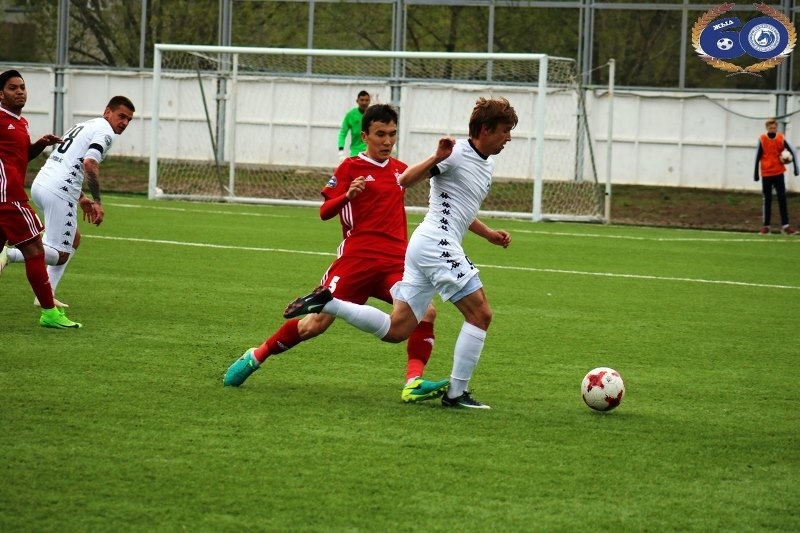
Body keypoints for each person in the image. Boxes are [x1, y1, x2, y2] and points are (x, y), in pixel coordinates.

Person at [283, 96, 517, 410]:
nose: (508, 137)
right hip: (437, 244)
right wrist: (436, 156)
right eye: (504, 130)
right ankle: (456, 394)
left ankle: (329, 303)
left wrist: (488, 234)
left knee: (397, 330)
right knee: (480, 314)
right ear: (485, 129)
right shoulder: (457, 152)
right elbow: (404, 179)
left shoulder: (486, 162)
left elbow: (461, 209)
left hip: (425, 245)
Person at [225, 103, 449, 403]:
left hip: (395, 263)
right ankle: (256, 355)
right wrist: (348, 195)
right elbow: (324, 212)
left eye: (392, 134)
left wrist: (441, 157)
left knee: (426, 312)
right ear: (364, 136)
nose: (387, 141)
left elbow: (439, 189)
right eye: (380, 134)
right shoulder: (350, 168)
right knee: (314, 325)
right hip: (356, 261)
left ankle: (413, 382)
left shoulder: (400, 170)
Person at [3, 95, 135, 307]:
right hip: (58, 192)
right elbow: (89, 163)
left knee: (73, 238)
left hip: (42, 184)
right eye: (121, 116)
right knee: (60, 255)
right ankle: (9, 254)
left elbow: (68, 162)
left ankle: (46, 294)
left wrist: (81, 197)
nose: (125, 122)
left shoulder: (85, 125)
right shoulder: (106, 132)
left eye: (129, 119)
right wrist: (98, 201)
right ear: (107, 112)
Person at [0, 69, 81, 328]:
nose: (20, 92)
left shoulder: (20, 122)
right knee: (35, 249)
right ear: (0, 94)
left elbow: (20, 157)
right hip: (8, 198)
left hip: (8, 195)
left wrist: (39, 145)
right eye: (12, 88)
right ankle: (49, 313)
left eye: (22, 87)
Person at [754, 118, 798, 235]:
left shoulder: (781, 138)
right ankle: (766, 226)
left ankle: (786, 226)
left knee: (782, 198)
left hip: (778, 172)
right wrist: (755, 173)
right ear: (767, 128)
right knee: (767, 199)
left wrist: (796, 167)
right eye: (770, 128)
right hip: (766, 173)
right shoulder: (762, 139)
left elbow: (792, 151)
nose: (772, 129)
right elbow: (757, 155)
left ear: (776, 128)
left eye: (774, 128)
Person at [338, 90, 371, 161]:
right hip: (356, 152)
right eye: (362, 100)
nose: (364, 102)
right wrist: (341, 151)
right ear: (357, 101)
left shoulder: (373, 115)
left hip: (370, 151)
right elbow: (343, 133)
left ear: (369, 101)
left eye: (366, 100)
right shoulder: (351, 115)